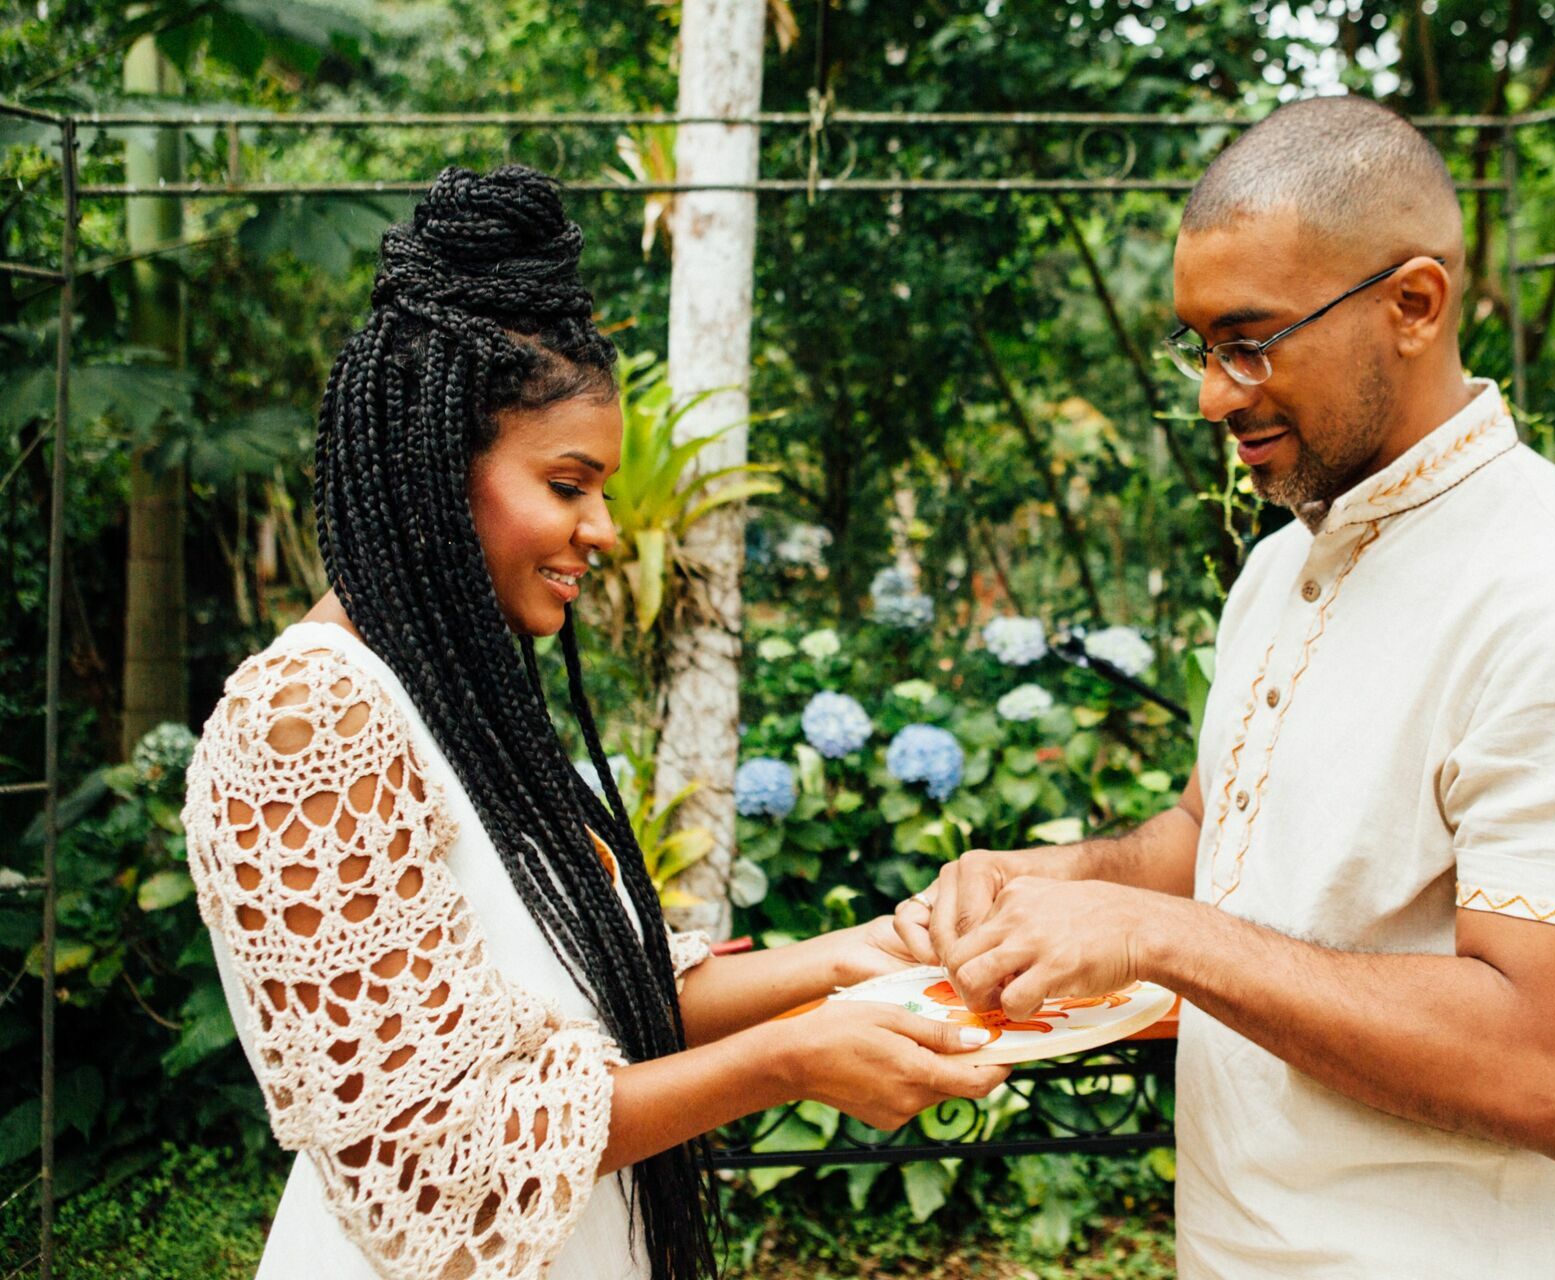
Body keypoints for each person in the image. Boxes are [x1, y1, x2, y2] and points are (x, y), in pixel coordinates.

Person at [895, 96, 1555, 1278]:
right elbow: (1210, 838)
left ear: (1415, 304)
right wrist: (1045, 884)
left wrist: (1155, 935)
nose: (1213, 395)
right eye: (1199, 347)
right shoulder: (1285, 562)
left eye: (1250, 340)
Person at [181, 165, 1007, 1280]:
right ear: (434, 471)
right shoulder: (309, 720)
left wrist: (862, 957)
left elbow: (607, 992)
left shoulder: (459, 694)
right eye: (569, 485)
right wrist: (791, 1061)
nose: (605, 530)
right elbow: (428, 1161)